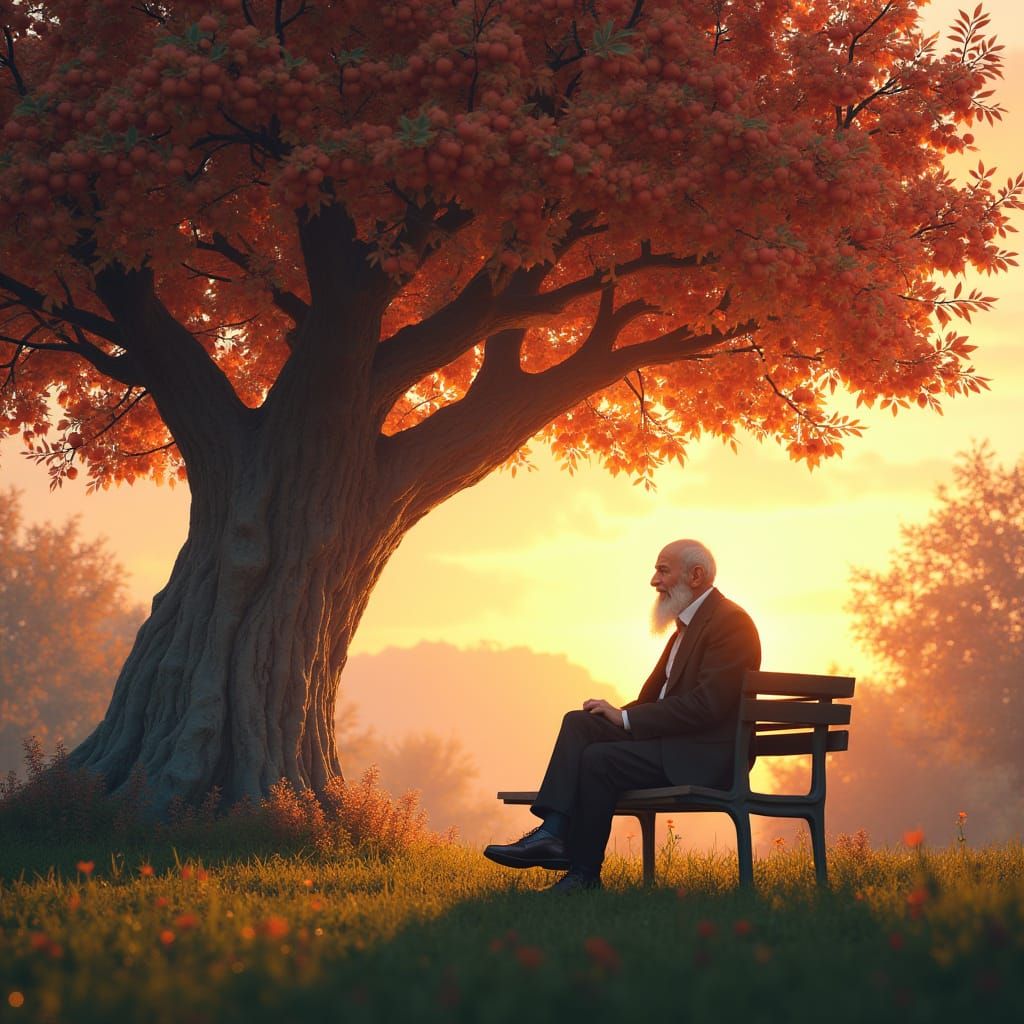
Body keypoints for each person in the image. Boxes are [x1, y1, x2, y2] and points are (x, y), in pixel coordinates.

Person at [483, 539, 761, 892]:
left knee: (601, 760)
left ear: (696, 575)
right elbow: (653, 700)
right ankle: (552, 833)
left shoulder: (731, 623)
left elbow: (707, 706)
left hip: (703, 757)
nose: (654, 581)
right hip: (671, 744)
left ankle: (584, 875)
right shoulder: (686, 628)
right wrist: (614, 714)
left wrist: (626, 720)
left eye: (663, 570)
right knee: (580, 722)